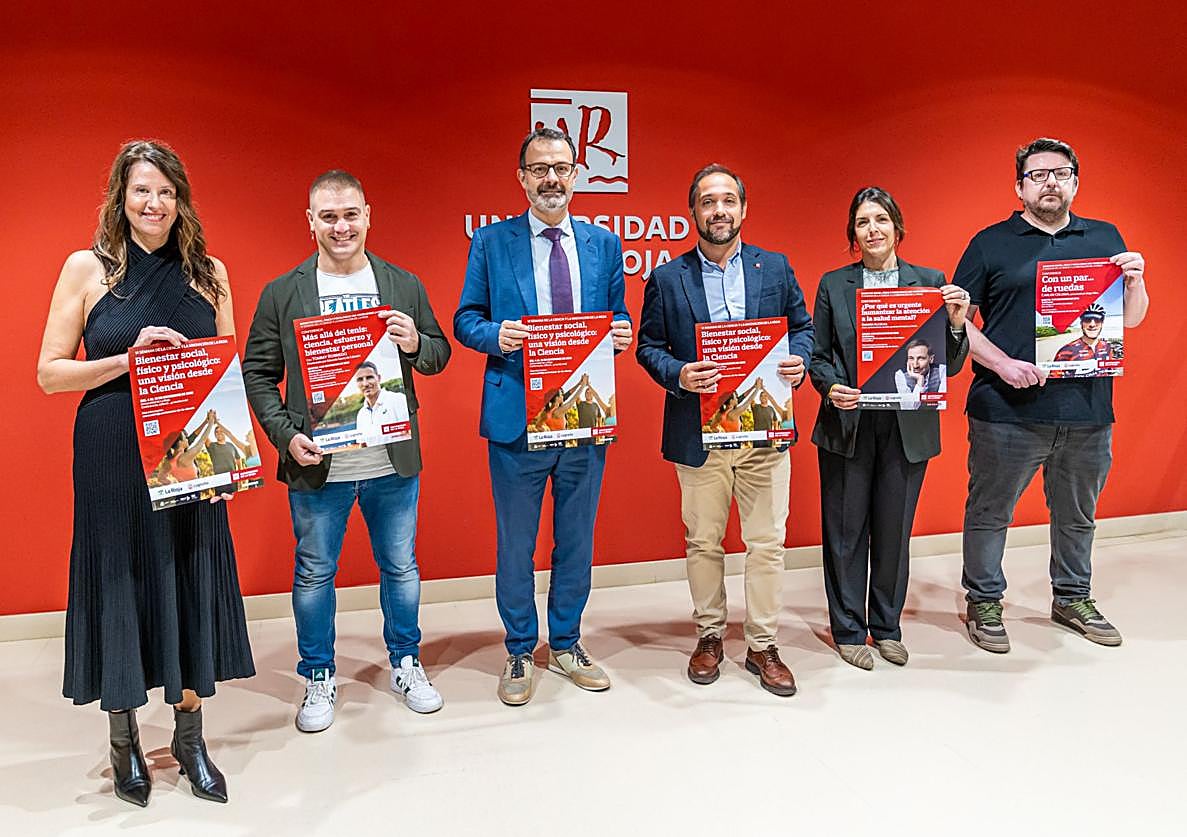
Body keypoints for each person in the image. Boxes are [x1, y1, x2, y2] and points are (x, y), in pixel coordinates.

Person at [36, 140, 254, 806]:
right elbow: (49, 373)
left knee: (190, 576)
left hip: (189, 456)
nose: (154, 203)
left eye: (166, 191)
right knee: (121, 579)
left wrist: (237, 451)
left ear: (180, 199)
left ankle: (190, 738)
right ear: (120, 197)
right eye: (141, 190)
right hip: (113, 452)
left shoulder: (209, 272)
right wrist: (128, 360)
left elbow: (227, 367)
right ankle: (123, 739)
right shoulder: (87, 267)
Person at [243, 170, 451, 730]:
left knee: (401, 566)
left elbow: (438, 354)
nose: (341, 227)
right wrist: (285, 435)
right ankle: (318, 674)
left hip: (391, 460)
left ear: (368, 216)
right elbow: (258, 374)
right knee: (314, 572)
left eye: (350, 214)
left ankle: (406, 662)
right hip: (318, 465)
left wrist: (415, 342)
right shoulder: (282, 292)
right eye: (329, 216)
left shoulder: (401, 283)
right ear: (310, 221)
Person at [454, 127, 632, 706]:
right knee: (517, 544)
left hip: (583, 415)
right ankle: (518, 648)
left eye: (561, 168)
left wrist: (622, 331)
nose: (551, 178)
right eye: (539, 169)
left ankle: (567, 643)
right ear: (522, 178)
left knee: (576, 540)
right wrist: (496, 335)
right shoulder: (491, 242)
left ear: (576, 174)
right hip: (516, 418)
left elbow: (618, 315)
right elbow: (465, 319)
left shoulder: (604, 244)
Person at [955, 138, 1149, 652]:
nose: (1050, 183)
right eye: (1037, 175)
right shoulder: (989, 243)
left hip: (1088, 409)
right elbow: (956, 321)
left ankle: (1072, 597)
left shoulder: (1105, 237)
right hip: (1006, 410)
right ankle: (984, 602)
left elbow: (1130, 321)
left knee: (1077, 516)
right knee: (990, 513)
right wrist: (1003, 364)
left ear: (1075, 183)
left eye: (1060, 174)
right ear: (1019, 187)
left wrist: (1135, 282)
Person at [636, 163, 813, 697]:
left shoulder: (775, 267)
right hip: (698, 436)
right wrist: (679, 374)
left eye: (728, 200)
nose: (719, 210)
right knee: (703, 542)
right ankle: (710, 636)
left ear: (743, 208)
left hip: (764, 432)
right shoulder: (667, 278)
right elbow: (648, 347)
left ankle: (763, 644)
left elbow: (803, 329)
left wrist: (800, 361)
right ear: (693, 212)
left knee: (767, 544)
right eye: (708, 201)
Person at [809, 186, 970, 669]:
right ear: (853, 234)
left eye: (880, 219)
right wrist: (831, 387)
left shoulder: (931, 283)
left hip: (907, 428)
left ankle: (886, 626)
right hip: (849, 423)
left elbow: (948, 364)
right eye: (862, 222)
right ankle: (848, 630)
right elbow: (819, 356)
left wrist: (956, 324)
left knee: (894, 532)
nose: (872, 230)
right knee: (845, 533)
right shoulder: (834, 284)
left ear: (897, 227)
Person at [1050, 303, 1114, 378]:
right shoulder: (1066, 351)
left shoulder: (1107, 347)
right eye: (1087, 319)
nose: (1092, 324)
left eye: (1097, 320)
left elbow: (1110, 372)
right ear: (1081, 323)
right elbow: (1054, 379)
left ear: (1102, 323)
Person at [350, 361, 409, 437]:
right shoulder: (361, 415)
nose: (365, 384)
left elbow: (410, 434)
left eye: (369, 377)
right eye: (360, 379)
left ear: (379, 378)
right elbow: (362, 442)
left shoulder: (399, 400)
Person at [894, 338, 947, 410]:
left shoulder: (942, 370)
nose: (915, 365)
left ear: (931, 359)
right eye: (911, 358)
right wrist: (920, 382)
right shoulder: (900, 375)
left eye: (921, 358)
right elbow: (908, 408)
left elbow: (943, 405)